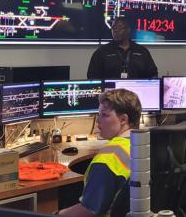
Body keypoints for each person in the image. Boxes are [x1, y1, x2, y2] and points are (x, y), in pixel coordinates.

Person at [59, 89, 142, 217]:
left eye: (104, 115)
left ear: (123, 120)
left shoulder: (108, 158)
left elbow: (89, 210)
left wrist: (57, 214)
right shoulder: (143, 146)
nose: (98, 121)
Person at [87, 17, 158, 79]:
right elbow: (92, 77)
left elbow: (152, 75)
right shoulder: (102, 52)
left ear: (128, 29)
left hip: (136, 92)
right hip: (112, 92)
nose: (116, 31)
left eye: (119, 28)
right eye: (113, 28)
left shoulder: (142, 51)